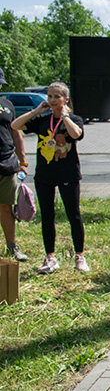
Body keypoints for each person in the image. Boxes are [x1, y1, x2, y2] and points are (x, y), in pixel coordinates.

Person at [11, 82, 88, 273]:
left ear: (65, 99)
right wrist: (36, 111)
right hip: (45, 175)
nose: (52, 100)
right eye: (50, 96)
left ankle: (79, 256)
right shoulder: (43, 120)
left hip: (68, 174)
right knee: (47, 216)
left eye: (57, 97)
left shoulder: (75, 119)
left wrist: (65, 117)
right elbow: (15, 125)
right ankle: (50, 258)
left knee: (74, 215)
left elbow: (76, 134)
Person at [0, 67, 29, 262]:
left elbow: (16, 134)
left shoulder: (7, 105)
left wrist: (23, 161)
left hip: (6, 164)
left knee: (5, 207)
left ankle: (12, 246)